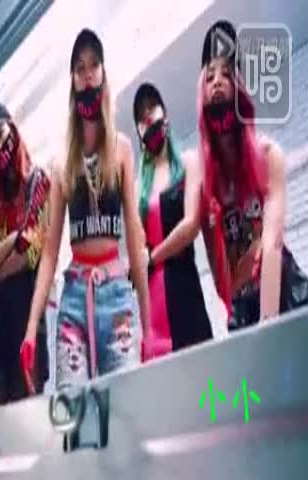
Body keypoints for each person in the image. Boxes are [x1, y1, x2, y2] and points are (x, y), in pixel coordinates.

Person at [20, 28, 151, 390]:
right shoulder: (61, 161)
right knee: (71, 407)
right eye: (80, 67)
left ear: (104, 73)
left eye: (94, 65)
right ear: (73, 81)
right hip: (75, 297)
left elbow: (134, 235)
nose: (88, 73)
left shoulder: (122, 150)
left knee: (125, 401)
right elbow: (49, 252)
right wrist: (31, 327)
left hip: (117, 294)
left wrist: (149, 322)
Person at [198, 20, 308, 330]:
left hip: (281, 290)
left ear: (239, 85)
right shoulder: (208, 186)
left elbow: (272, 244)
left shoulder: (268, 155)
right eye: (210, 76)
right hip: (242, 305)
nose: (217, 82)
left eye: (226, 73)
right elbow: (219, 273)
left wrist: (267, 324)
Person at [0, 100, 50, 408]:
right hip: (0, 329)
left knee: (27, 422)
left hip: (29, 321)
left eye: (0, 136)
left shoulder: (38, 182)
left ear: (13, 131)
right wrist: (15, 239)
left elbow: (31, 252)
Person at [133, 82, 213, 358]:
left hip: (185, 285)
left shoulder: (189, 162)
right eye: (140, 114)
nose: (147, 115)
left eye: (151, 106)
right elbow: (137, 250)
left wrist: (153, 257)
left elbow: (191, 225)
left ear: (164, 113)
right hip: (152, 299)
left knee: (202, 372)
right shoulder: (138, 187)